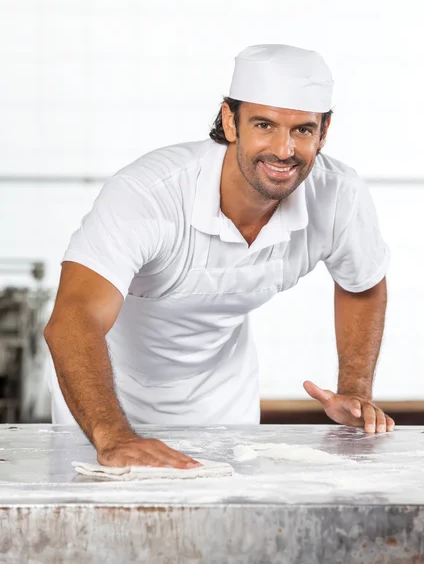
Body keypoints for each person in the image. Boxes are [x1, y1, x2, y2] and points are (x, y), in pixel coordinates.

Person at [44, 44, 393, 470]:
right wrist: (112, 436)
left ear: (324, 132)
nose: (284, 150)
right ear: (230, 122)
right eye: (264, 124)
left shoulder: (339, 196)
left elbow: (362, 284)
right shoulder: (150, 194)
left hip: (223, 400)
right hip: (105, 398)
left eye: (303, 129)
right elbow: (73, 318)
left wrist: (355, 390)